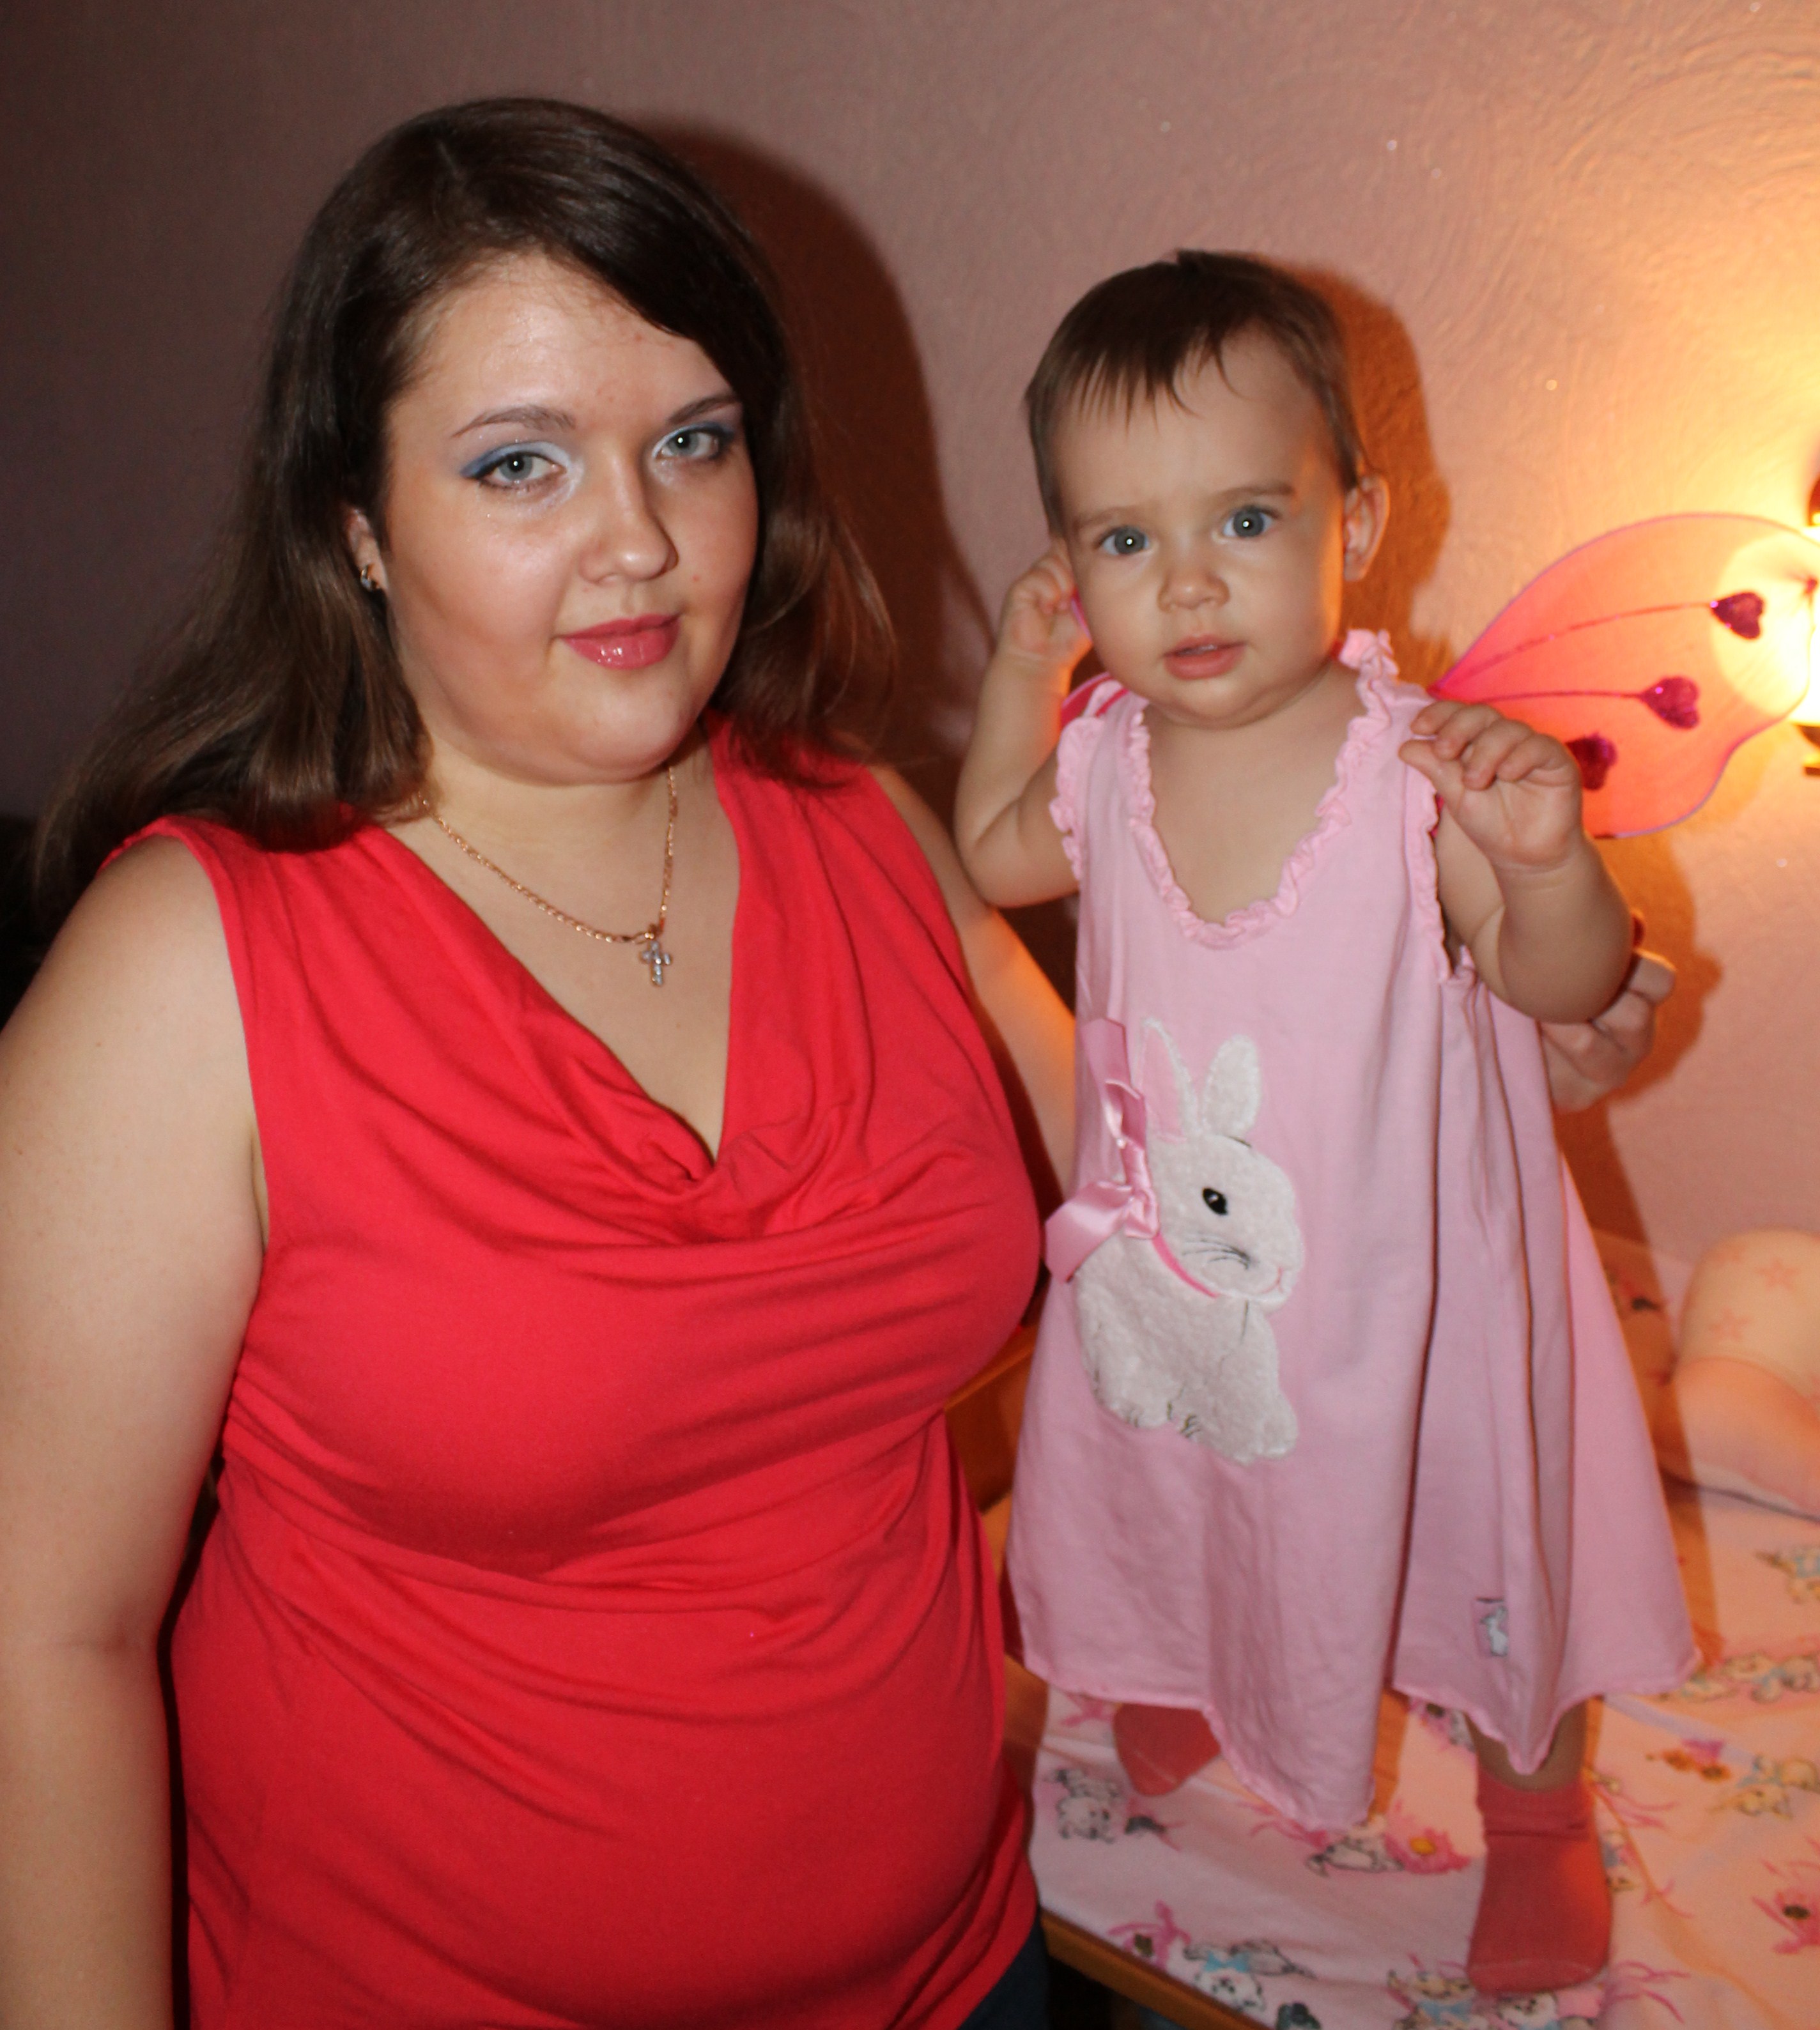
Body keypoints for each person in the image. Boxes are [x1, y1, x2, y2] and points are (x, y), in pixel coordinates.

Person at [0, 101, 1076, 2030]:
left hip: (961, 1978)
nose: (640, 540)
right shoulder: (183, 971)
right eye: (522, 464)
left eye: (695, 440)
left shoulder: (869, 830)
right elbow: (40, 1639)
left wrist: (1498, 984)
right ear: (354, 525)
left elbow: (1189, 1203)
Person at [953, 252, 1693, 1997]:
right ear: (1074, 567)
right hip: (1194, 1290)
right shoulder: (1107, 756)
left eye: (1245, 519)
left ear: (1353, 519)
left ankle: (1536, 1816)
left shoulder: (1414, 768)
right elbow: (992, 849)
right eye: (1124, 540)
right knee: (1182, 1498)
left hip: (1414, 1298)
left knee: (1483, 1540)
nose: (1189, 581)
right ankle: (1189, 1668)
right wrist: (1020, 674)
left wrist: (1549, 864)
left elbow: (1565, 981)